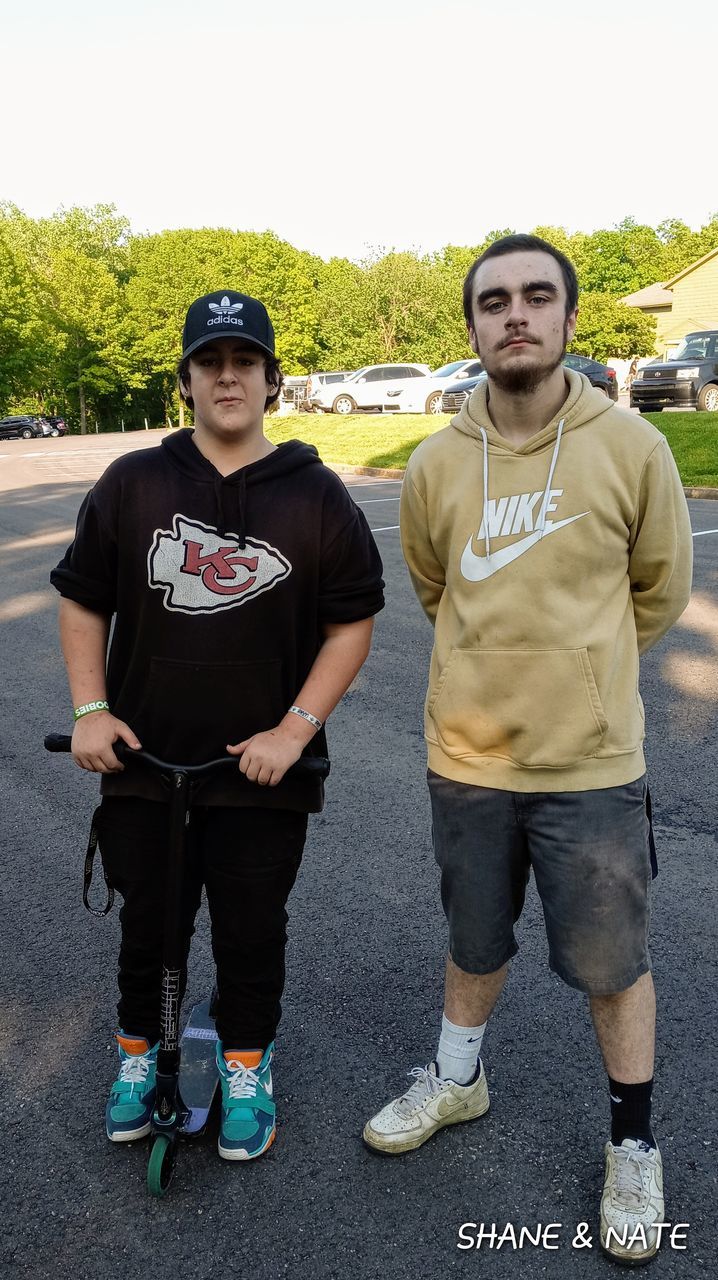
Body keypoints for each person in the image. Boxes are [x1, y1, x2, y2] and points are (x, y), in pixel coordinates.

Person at [362, 235, 692, 1265]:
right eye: (493, 299)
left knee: (611, 963)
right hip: (468, 755)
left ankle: (632, 1141)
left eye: (535, 296)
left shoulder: (631, 448)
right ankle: (457, 1079)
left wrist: (581, 670)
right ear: (469, 325)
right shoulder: (434, 462)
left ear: (566, 319)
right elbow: (434, 583)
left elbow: (660, 587)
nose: (514, 313)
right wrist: (491, 668)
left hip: (589, 765)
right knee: (473, 937)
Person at [51, 289, 384, 1162]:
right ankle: (136, 1058)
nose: (227, 376)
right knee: (148, 928)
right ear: (187, 381)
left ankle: (245, 1066)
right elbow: (83, 599)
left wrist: (295, 729)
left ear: (272, 381)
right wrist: (91, 710)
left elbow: (352, 623)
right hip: (143, 763)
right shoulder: (134, 482)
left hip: (262, 775)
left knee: (251, 931)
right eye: (210, 362)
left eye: (244, 363)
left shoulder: (316, 495)